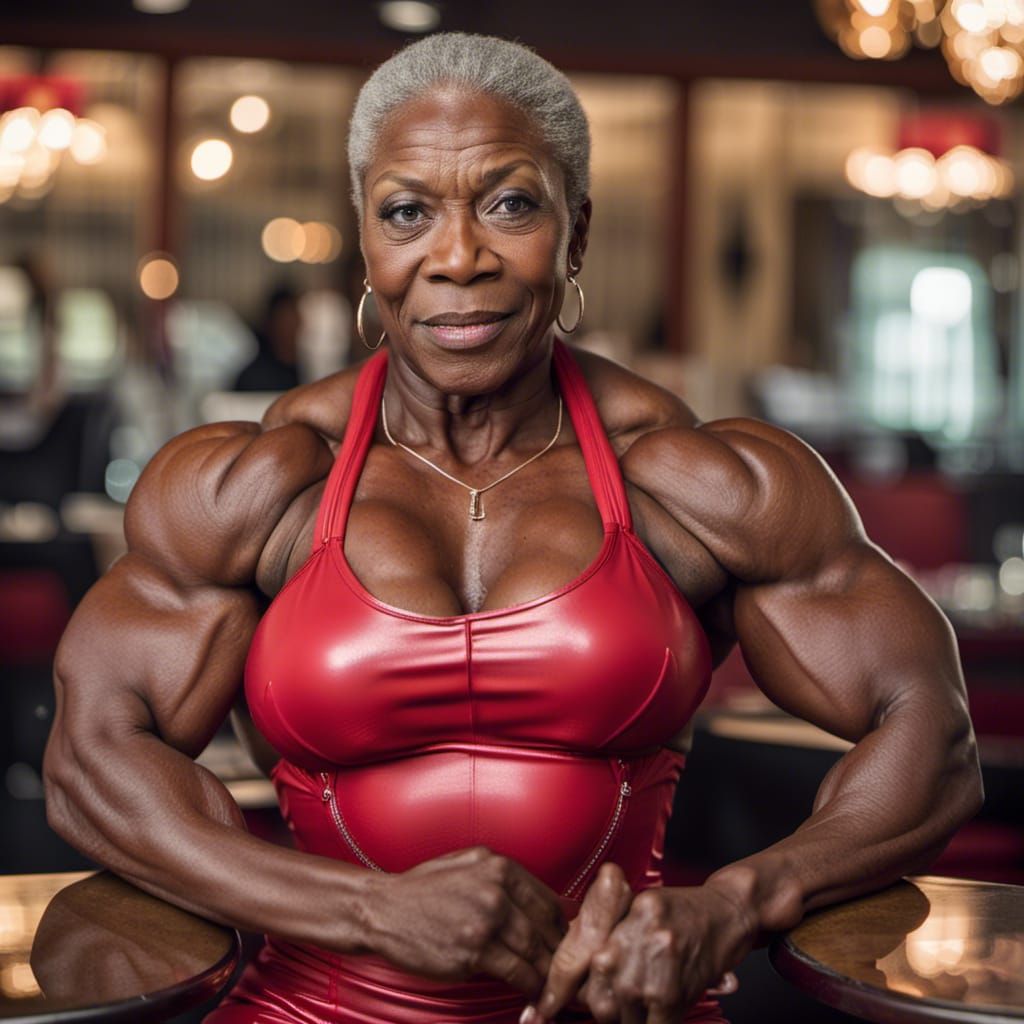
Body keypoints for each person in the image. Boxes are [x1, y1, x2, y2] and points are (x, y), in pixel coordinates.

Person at [43, 33, 982, 1024]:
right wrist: (364, 907)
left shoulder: (693, 480)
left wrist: (733, 903)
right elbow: (89, 759)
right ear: (366, 240)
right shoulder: (260, 483)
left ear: (575, 231)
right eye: (408, 212)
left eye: (510, 203)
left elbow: (934, 730)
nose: (456, 258)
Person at [233, 284, 304, 392]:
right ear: (272, 323)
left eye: (296, 317)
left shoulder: (298, 367)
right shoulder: (254, 377)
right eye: (288, 320)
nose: (295, 325)